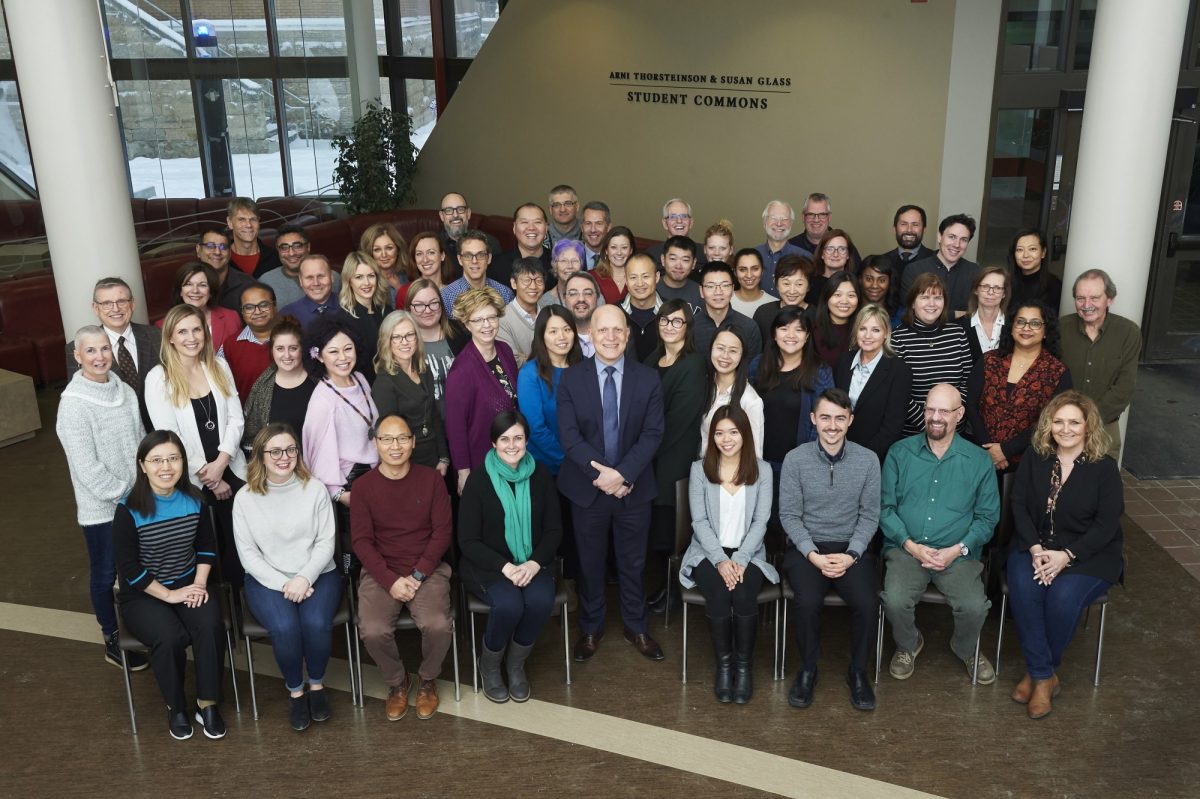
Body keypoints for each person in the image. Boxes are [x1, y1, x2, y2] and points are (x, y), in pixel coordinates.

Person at [557, 305, 666, 662]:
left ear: (628, 333)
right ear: (590, 335)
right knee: (590, 563)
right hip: (588, 491)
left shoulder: (647, 378)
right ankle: (591, 627)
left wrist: (623, 475)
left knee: (633, 563)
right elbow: (570, 438)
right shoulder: (572, 379)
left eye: (618, 330)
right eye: (603, 331)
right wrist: (603, 477)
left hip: (633, 489)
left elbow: (652, 434)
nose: (611, 337)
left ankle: (636, 626)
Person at [1007, 392, 1124, 719]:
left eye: (1074, 421)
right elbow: (1018, 505)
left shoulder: (1104, 468)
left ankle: (1038, 674)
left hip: (1088, 553)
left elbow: (1106, 524)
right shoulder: (1036, 456)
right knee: (1025, 589)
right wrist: (1035, 549)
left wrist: (1066, 556)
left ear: (1088, 426)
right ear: (1049, 424)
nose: (1065, 428)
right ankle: (1045, 675)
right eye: (1058, 421)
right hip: (1035, 546)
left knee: (1061, 597)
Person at [880, 384, 999, 684]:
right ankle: (909, 644)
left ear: (959, 414)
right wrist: (911, 546)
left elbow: (987, 519)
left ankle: (965, 648)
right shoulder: (899, 453)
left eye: (944, 411)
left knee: (974, 607)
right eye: (930, 409)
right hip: (906, 549)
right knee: (894, 600)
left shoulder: (979, 461)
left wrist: (957, 550)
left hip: (957, 554)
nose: (935, 417)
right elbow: (884, 508)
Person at [113, 430, 227, 740]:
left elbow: (206, 547)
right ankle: (176, 707)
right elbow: (129, 569)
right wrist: (169, 594)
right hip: (144, 594)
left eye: (173, 459)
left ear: (182, 462)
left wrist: (199, 585)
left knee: (210, 626)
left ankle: (208, 703)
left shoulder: (194, 499)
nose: (166, 467)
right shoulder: (127, 509)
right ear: (143, 465)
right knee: (169, 636)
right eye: (157, 460)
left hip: (189, 581)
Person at [232, 424, 340, 732]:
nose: (284, 457)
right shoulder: (245, 498)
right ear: (261, 456)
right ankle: (296, 691)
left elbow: (325, 543)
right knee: (285, 627)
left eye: (290, 449)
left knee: (316, 624)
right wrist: (285, 583)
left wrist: (304, 577)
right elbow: (248, 555)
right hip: (267, 578)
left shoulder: (315, 488)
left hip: (318, 573)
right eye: (275, 451)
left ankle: (317, 685)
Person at [779, 389, 881, 711]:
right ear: (813, 420)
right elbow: (789, 516)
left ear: (850, 421)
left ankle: (857, 672)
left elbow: (869, 516)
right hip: (808, 548)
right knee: (807, 601)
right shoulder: (795, 459)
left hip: (852, 548)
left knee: (867, 603)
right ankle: (808, 669)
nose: (832, 425)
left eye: (840, 418)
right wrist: (813, 555)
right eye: (825, 417)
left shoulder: (868, 460)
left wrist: (851, 554)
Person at [352, 415, 454, 721]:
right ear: (375, 443)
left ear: (412, 441)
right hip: (381, 570)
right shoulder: (363, 487)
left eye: (401, 439)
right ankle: (397, 682)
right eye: (386, 439)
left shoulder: (431, 479)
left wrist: (418, 574)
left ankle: (427, 678)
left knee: (438, 624)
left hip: (427, 567)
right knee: (372, 630)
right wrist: (390, 580)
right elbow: (361, 541)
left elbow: (442, 533)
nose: (395, 446)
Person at [57, 325, 147, 670]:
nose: (99, 357)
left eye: (104, 349)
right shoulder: (73, 405)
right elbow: (86, 468)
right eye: (90, 351)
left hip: (137, 500)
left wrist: (144, 488)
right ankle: (111, 636)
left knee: (136, 568)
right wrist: (126, 495)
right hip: (103, 509)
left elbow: (140, 440)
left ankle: (138, 625)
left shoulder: (122, 388)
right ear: (77, 356)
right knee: (105, 573)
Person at [458, 410, 563, 703]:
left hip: (533, 562)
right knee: (509, 605)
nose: (512, 445)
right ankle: (490, 666)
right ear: (493, 443)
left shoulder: (541, 475)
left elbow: (554, 530)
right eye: (504, 439)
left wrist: (533, 563)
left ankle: (515, 665)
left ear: (527, 440)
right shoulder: (478, 481)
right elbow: (467, 540)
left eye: (518, 437)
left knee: (541, 601)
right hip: (489, 566)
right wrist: (505, 567)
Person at [679, 406, 778, 704]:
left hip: (750, 553)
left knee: (745, 594)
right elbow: (699, 522)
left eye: (733, 432)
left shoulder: (763, 470)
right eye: (719, 433)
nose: (726, 439)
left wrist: (741, 559)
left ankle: (744, 667)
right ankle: (724, 666)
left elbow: (761, 521)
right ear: (712, 437)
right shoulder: (699, 470)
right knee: (720, 594)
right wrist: (722, 560)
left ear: (745, 434)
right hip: (708, 552)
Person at [145, 304, 248, 586]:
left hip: (232, 467)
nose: (191, 337)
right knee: (208, 547)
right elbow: (169, 437)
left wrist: (222, 463)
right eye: (182, 331)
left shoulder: (218, 365)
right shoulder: (159, 378)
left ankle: (246, 607)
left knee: (241, 540)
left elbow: (237, 419)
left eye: (196, 329)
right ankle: (215, 608)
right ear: (170, 338)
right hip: (193, 479)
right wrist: (211, 476)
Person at [645, 300, 707, 614]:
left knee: (674, 530)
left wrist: (642, 450)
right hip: (649, 461)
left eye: (677, 322)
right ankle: (663, 588)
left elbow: (680, 420)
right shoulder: (652, 359)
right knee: (657, 531)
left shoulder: (693, 364)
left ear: (688, 327)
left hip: (675, 458)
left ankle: (674, 592)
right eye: (665, 320)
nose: (669, 326)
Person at [301, 316, 379, 555]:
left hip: (376, 475)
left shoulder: (361, 380)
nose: (343, 358)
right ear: (319, 356)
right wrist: (340, 494)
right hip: (349, 483)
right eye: (333, 352)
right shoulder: (323, 399)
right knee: (358, 553)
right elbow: (314, 455)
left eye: (348, 349)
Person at [967, 301, 1071, 473]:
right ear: (1011, 327)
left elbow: (1052, 420)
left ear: (1046, 331)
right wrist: (989, 449)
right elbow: (970, 405)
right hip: (981, 456)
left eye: (1035, 323)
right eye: (1020, 321)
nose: (1026, 328)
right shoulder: (989, 361)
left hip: (1030, 462)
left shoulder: (1057, 372)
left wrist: (1005, 451)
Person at [750, 308, 832, 512]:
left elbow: (825, 420)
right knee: (759, 521)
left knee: (791, 523)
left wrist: (808, 461)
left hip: (799, 466)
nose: (791, 335)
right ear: (774, 334)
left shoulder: (819, 371)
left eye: (798, 330)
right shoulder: (758, 365)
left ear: (807, 337)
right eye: (784, 328)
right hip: (758, 462)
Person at [1058, 268, 1141, 460]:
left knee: (1101, 486)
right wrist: (1069, 421)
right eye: (1080, 298)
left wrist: (1088, 421)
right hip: (1062, 427)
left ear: (1109, 299)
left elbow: (1125, 387)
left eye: (1094, 298)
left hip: (1104, 426)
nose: (1087, 305)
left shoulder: (1128, 332)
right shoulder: (1061, 328)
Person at [446, 287, 519, 494]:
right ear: (467, 324)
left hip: (512, 457)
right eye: (478, 320)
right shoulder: (461, 371)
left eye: (492, 317)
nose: (487, 325)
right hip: (482, 463)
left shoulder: (504, 350)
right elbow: (455, 428)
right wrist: (463, 473)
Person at [65, 276, 162, 431]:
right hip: (114, 434)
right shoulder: (77, 349)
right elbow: (80, 398)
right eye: (106, 304)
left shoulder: (157, 336)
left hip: (160, 429)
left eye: (122, 301)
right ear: (95, 308)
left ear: (132, 304)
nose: (115, 309)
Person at [891, 273, 973, 435]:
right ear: (912, 303)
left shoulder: (957, 333)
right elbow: (898, 393)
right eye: (924, 297)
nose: (931, 304)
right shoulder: (898, 338)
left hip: (954, 430)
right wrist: (929, 425)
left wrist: (950, 419)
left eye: (937, 298)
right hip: (914, 432)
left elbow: (968, 381)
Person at [371, 310, 450, 472]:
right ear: (387, 341)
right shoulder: (384, 383)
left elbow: (433, 415)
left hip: (434, 454)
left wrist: (443, 456)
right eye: (397, 337)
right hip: (409, 461)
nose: (404, 342)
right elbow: (392, 435)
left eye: (409, 335)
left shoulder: (423, 369)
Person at [834, 304, 912, 464]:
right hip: (837, 451)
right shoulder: (843, 361)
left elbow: (892, 427)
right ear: (856, 331)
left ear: (886, 334)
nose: (868, 335)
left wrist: (863, 457)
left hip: (873, 457)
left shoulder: (898, 370)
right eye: (863, 329)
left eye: (876, 330)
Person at [517, 306, 582, 474]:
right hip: (548, 468)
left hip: (587, 463)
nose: (562, 337)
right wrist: (572, 461)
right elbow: (536, 429)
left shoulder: (586, 367)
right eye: (553, 331)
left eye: (567, 329)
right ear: (541, 336)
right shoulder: (529, 374)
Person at [242, 316, 316, 449]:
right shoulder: (262, 388)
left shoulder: (319, 381)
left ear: (302, 349)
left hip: (320, 462)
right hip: (279, 465)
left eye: (293, 348)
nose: (287, 355)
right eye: (280, 348)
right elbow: (251, 438)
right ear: (272, 351)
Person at [405, 277, 469, 416]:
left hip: (464, 417)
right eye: (419, 305)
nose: (427, 310)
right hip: (427, 427)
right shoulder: (404, 343)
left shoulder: (460, 333)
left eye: (433, 303)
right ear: (409, 308)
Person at [900, 213, 980, 317]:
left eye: (964, 240)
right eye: (952, 237)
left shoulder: (975, 272)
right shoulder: (914, 270)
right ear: (939, 237)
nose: (957, 244)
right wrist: (956, 314)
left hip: (963, 332)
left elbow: (977, 313)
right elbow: (911, 312)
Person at [700, 328, 764, 458]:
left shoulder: (750, 400)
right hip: (700, 470)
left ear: (742, 356)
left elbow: (755, 453)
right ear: (711, 349)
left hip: (733, 475)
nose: (725, 356)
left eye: (733, 351)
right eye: (720, 348)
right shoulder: (702, 386)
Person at [157, 262, 241, 351]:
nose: (195, 290)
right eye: (188, 284)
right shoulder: (162, 326)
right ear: (180, 291)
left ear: (211, 292)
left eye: (202, 285)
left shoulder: (231, 317)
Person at [338, 250, 392, 384]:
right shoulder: (343, 319)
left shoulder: (387, 310)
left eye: (371, 276)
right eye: (359, 277)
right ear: (349, 281)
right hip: (366, 386)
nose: (367, 283)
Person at [260, 224, 342, 310]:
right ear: (278, 250)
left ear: (308, 247)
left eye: (297, 246)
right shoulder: (266, 282)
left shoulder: (333, 278)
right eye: (284, 247)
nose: (291, 253)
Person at [220, 282, 277, 403]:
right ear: (242, 312)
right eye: (249, 307)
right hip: (247, 417)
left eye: (264, 304)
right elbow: (219, 382)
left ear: (274, 306)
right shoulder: (230, 345)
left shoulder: (292, 338)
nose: (257, 311)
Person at [692, 261, 763, 358]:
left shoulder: (749, 327)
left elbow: (753, 369)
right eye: (710, 286)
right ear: (701, 291)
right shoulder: (689, 326)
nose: (718, 292)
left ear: (733, 289)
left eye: (725, 285)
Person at [442, 230, 515, 317]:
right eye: (468, 256)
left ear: (489, 258)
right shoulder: (446, 297)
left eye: (481, 255)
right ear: (459, 259)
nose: (474, 261)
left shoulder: (505, 294)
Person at [497, 257, 548, 366]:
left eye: (539, 280)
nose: (533, 286)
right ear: (514, 283)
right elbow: (513, 362)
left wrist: (526, 358)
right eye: (526, 280)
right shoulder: (502, 319)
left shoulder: (549, 314)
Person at [752, 254, 813, 345]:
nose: (792, 291)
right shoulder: (763, 312)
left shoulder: (818, 316)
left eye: (799, 284)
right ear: (776, 283)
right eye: (786, 284)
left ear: (808, 286)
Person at [956, 265, 1010, 364]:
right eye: (985, 286)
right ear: (976, 290)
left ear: (1004, 293)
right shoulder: (958, 327)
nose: (990, 292)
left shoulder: (1014, 325)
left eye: (997, 288)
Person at [790, 193, 862, 268]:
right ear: (803, 217)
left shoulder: (844, 246)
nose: (816, 220)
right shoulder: (791, 246)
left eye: (822, 214)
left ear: (829, 217)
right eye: (811, 214)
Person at [195, 224, 255, 312]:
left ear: (230, 252)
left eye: (223, 247)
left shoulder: (248, 285)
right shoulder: (188, 284)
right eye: (211, 246)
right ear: (198, 249)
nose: (217, 252)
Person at [491, 204, 552, 287]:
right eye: (524, 222)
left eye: (537, 222)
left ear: (546, 228)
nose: (531, 228)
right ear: (514, 228)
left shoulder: (558, 263)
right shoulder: (496, 266)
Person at [756, 200, 808, 293]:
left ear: (791, 224)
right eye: (773, 218)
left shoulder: (805, 258)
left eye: (784, 219)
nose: (779, 223)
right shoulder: (753, 256)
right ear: (764, 222)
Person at [811, 270, 860, 369]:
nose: (844, 301)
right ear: (826, 298)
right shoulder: (813, 333)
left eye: (851, 295)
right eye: (837, 295)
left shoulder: (864, 331)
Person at [279, 254, 344, 328]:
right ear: (300, 280)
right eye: (309, 277)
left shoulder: (350, 307)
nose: (316, 283)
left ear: (331, 277)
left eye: (321, 276)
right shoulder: (287, 314)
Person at [620, 253, 664, 361]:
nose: (640, 283)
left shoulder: (671, 312)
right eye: (633, 277)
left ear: (657, 277)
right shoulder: (614, 312)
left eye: (645, 276)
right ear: (626, 280)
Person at [1008, 228, 1062, 313]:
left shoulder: (1054, 286)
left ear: (1043, 252)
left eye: (1032, 249)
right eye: (1020, 250)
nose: (1025, 255)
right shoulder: (1007, 283)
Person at [437, 191, 499, 264]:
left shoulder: (489, 243)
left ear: (468, 213)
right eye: (448, 210)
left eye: (460, 209)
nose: (455, 215)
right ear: (441, 216)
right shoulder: (434, 246)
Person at [226, 197, 281, 278]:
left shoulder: (274, 257)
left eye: (253, 219)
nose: (248, 225)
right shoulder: (221, 257)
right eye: (241, 219)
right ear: (230, 222)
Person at [398, 231, 455, 308]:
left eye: (431, 252)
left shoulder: (455, 292)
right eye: (419, 254)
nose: (425, 260)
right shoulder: (405, 292)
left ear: (442, 255)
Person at [360, 222, 411, 302]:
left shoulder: (403, 275)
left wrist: (399, 288)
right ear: (370, 253)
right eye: (377, 250)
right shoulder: (367, 283)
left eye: (389, 248)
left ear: (398, 249)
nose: (384, 255)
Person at [879, 204, 935, 276]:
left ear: (924, 229)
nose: (909, 230)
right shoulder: (883, 261)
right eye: (903, 224)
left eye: (915, 224)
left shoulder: (935, 260)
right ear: (894, 229)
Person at [808, 228, 859, 305]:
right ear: (822, 254)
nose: (835, 254)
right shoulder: (809, 284)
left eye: (842, 249)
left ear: (848, 255)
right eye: (830, 249)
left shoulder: (855, 284)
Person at [656, 235, 703, 311]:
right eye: (673, 259)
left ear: (694, 263)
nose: (678, 266)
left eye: (685, 260)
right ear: (663, 259)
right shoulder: (651, 289)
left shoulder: (701, 293)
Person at [563, 272, 602, 356]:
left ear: (597, 297)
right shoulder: (557, 338)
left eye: (588, 293)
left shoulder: (612, 336)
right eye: (573, 294)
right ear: (564, 299)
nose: (581, 299)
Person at [593, 225, 635, 304]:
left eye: (624, 247)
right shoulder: (592, 276)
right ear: (606, 250)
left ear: (631, 250)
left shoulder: (639, 277)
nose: (619, 252)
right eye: (613, 247)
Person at [856, 254, 901, 327]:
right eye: (868, 279)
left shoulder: (900, 316)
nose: (874, 285)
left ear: (890, 282)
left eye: (882, 280)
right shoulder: (850, 312)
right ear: (860, 279)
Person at [730, 248, 776, 318]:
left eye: (755, 269)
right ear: (735, 272)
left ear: (762, 271)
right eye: (742, 270)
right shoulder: (725, 300)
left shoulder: (774, 304)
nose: (749, 275)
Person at [544, 239, 587, 306]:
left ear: (581, 265)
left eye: (574, 261)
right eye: (564, 261)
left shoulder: (594, 297)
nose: (570, 266)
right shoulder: (545, 301)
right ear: (555, 266)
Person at [580, 200, 612, 270]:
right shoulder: (573, 255)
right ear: (582, 227)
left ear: (608, 227)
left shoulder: (617, 256)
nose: (593, 230)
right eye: (588, 223)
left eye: (599, 223)